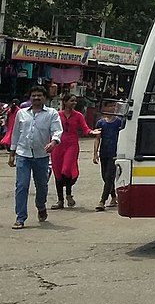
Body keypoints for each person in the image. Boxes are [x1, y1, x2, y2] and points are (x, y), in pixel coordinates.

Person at [8, 84, 63, 229]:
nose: (36, 98)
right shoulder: (22, 113)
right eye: (34, 95)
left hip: (41, 156)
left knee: (41, 186)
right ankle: (20, 217)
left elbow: (57, 131)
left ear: (45, 98)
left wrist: (53, 142)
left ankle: (41, 206)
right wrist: (12, 153)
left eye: (39, 95)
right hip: (23, 154)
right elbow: (15, 134)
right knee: (21, 186)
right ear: (30, 98)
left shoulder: (52, 113)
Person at [50, 94, 99, 209]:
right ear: (65, 102)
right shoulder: (57, 115)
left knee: (67, 170)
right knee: (57, 172)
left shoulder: (78, 116)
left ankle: (68, 193)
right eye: (72, 101)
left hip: (72, 145)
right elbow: (50, 129)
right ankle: (60, 200)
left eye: (75, 101)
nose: (74, 103)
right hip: (58, 145)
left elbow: (85, 128)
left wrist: (92, 132)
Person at [92, 103, 125, 211]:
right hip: (104, 152)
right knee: (104, 177)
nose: (112, 108)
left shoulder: (119, 122)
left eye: (114, 106)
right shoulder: (100, 123)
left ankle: (102, 201)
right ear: (104, 108)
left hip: (114, 153)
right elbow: (97, 138)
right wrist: (95, 153)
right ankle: (114, 197)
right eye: (110, 106)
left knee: (109, 176)